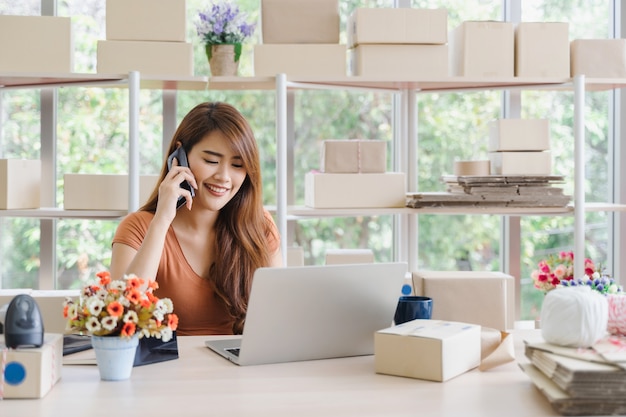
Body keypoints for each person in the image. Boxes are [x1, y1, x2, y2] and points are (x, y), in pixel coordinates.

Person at [109, 102, 282, 336]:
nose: (223, 177)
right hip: (165, 368)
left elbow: (278, 315)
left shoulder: (258, 225)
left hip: (240, 368)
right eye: (211, 161)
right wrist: (161, 221)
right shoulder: (137, 227)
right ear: (179, 156)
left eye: (237, 165)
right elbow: (122, 317)